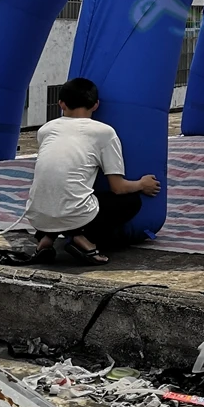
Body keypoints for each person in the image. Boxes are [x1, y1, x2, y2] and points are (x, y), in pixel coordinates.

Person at [26, 78, 161, 266]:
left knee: (60, 194)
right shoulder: (104, 132)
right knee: (130, 201)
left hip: (36, 215)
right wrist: (142, 184)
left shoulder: (45, 130)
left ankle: (47, 238)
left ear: (61, 104)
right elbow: (118, 187)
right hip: (74, 215)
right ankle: (81, 239)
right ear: (96, 105)